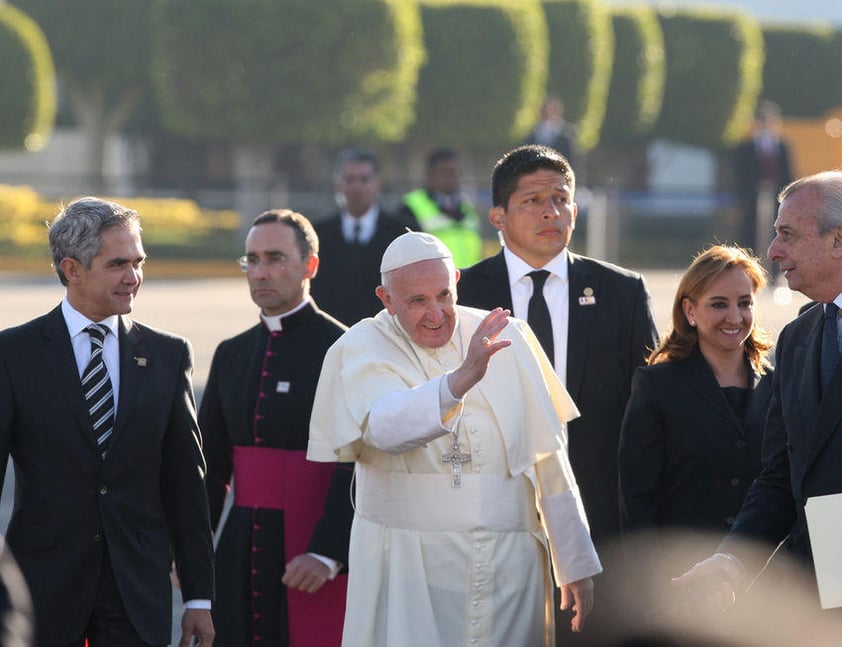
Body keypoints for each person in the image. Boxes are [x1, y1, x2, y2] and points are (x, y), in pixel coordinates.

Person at [307, 231, 602, 647]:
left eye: (444, 295)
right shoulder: (361, 345)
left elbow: (549, 456)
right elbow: (383, 429)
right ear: (386, 298)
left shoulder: (507, 336)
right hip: (409, 566)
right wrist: (458, 383)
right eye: (417, 301)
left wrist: (574, 561)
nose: (436, 313)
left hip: (509, 567)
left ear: (457, 282)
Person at [457, 144, 658, 642]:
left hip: (599, 516)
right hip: (496, 512)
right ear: (497, 216)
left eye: (561, 198)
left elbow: (650, 405)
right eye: (532, 201)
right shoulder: (463, 296)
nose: (551, 211)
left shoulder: (620, 291)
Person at [0, 197, 215, 646]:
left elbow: (186, 486)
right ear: (72, 269)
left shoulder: (168, 355)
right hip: (42, 592)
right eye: (118, 264)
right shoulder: (12, 355)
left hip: (136, 593)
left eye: (139, 262)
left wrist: (199, 598)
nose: (133, 278)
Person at [674, 171, 842, 611]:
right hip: (815, 587)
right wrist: (734, 557)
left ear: (838, 240)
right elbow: (781, 473)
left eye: (787, 235)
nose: (773, 251)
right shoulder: (799, 339)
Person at [200, 209, 353, 646]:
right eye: (251, 260)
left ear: (311, 265)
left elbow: (360, 463)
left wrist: (328, 551)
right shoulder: (231, 353)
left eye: (275, 258)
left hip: (314, 548)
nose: (260, 271)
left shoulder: (344, 349)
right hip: (240, 548)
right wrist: (192, 551)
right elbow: (210, 467)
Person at [619, 245, 773, 570]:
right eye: (719, 304)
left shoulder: (780, 386)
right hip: (684, 578)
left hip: (763, 578)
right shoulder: (657, 386)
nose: (735, 317)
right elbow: (638, 497)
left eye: (744, 303)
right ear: (690, 310)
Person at [311, 147, 418, 326]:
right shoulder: (318, 235)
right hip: (330, 338)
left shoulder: (401, 233)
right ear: (337, 183)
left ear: (378, 183)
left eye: (364, 179)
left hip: (388, 336)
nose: (357, 186)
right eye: (350, 179)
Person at [398, 147, 483, 267]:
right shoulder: (410, 207)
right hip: (434, 283)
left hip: (469, 281)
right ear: (429, 175)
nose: (452, 177)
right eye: (445, 172)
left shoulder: (467, 208)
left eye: (455, 172)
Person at [733, 100, 793, 261]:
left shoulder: (781, 145)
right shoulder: (747, 147)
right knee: (751, 232)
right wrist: (742, 200)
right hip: (754, 195)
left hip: (776, 195)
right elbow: (740, 175)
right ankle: (752, 263)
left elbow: (788, 173)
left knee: (777, 231)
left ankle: (774, 267)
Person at [524, 96, 580, 171]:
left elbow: (573, 161)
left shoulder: (568, 132)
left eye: (551, 110)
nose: (547, 113)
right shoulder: (533, 132)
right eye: (545, 110)